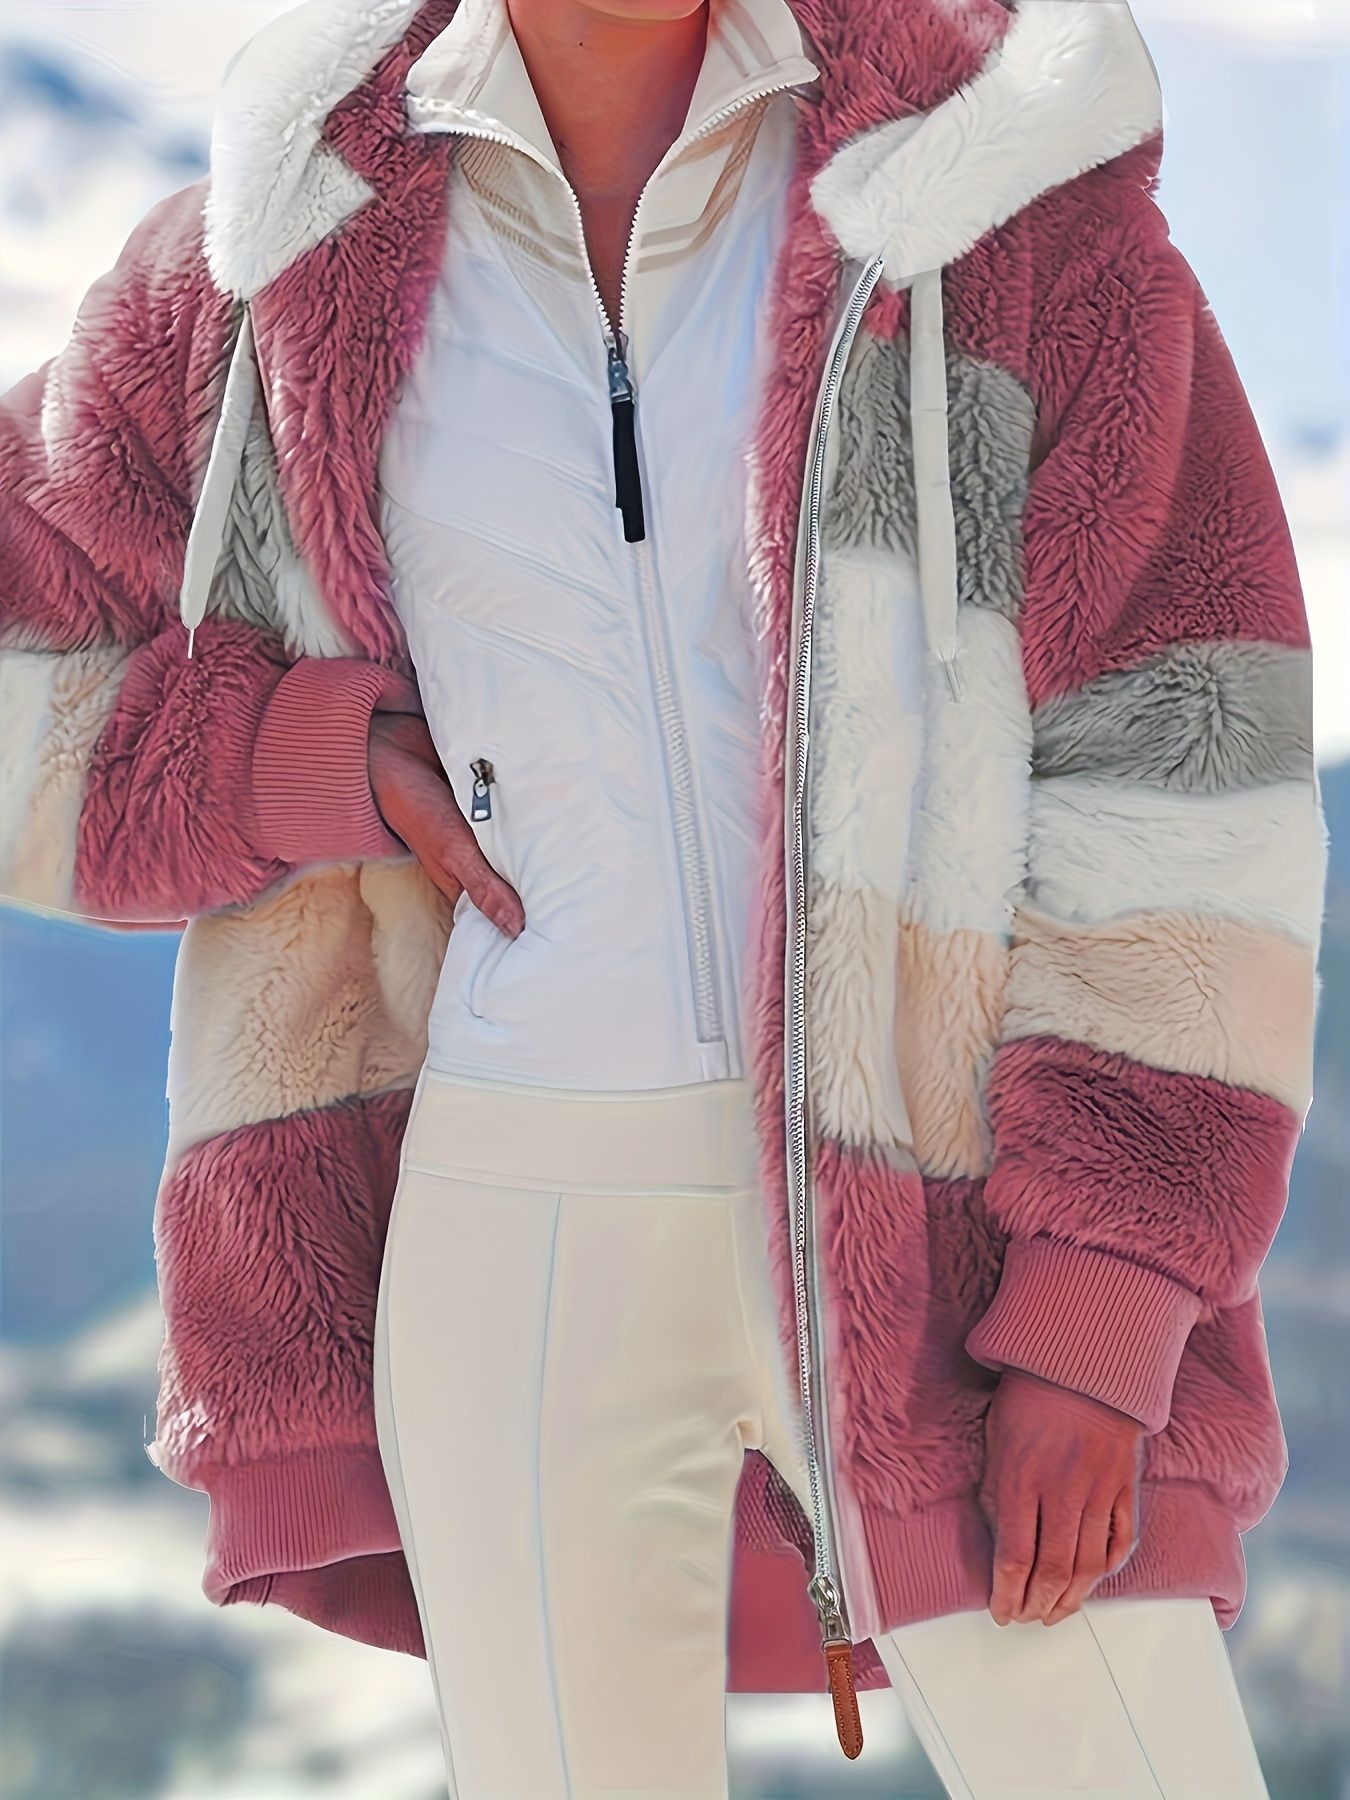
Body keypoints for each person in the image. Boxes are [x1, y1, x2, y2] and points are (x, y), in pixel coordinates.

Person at [0, 0, 1326, 1794]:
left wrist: (1105, 1309)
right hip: (511, 1225)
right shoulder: (271, 262)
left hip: (947, 1225)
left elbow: (1185, 767)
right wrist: (293, 762)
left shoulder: (996, 199)